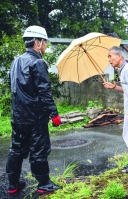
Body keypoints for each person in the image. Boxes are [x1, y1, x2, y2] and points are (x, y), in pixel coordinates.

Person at [6, 25, 62, 195]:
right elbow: (44, 91)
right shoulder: (38, 62)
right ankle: (44, 183)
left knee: (16, 149)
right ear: (38, 42)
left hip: (18, 116)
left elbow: (12, 85)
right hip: (35, 117)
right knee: (39, 150)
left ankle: (13, 184)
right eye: (45, 42)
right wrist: (54, 114)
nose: (46, 46)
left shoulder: (16, 61)